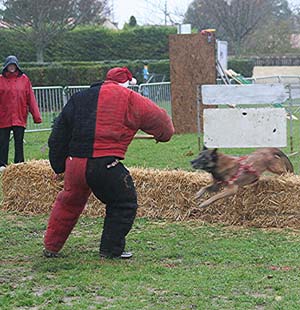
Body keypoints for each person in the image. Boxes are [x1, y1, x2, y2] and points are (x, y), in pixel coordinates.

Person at [44, 67, 175, 259]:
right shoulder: (130, 98)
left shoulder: (79, 97)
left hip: (75, 163)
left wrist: (58, 166)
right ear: (126, 83)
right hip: (104, 164)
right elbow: (163, 123)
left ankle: (51, 246)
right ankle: (111, 249)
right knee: (124, 202)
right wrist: (162, 136)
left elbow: (57, 135)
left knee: (68, 203)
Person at [0, 55, 42, 172]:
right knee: (3, 142)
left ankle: (19, 164)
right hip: (4, 117)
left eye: (13, 65)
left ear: (17, 66)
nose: (12, 67)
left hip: (19, 116)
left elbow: (31, 98)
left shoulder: (25, 80)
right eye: (9, 65)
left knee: (19, 142)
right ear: (6, 66)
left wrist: (36, 116)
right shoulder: (0, 80)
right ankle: (2, 165)